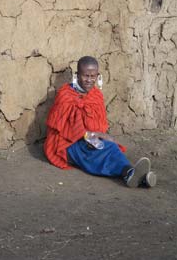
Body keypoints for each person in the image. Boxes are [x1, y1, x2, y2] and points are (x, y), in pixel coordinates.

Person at [44, 56, 156, 188]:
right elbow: (61, 127)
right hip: (67, 144)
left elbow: (99, 124)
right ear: (77, 75)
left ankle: (134, 175)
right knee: (100, 151)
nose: (89, 80)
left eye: (93, 76)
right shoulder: (65, 95)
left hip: (91, 139)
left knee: (108, 147)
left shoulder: (96, 95)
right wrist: (88, 136)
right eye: (86, 76)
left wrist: (98, 135)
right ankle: (130, 173)